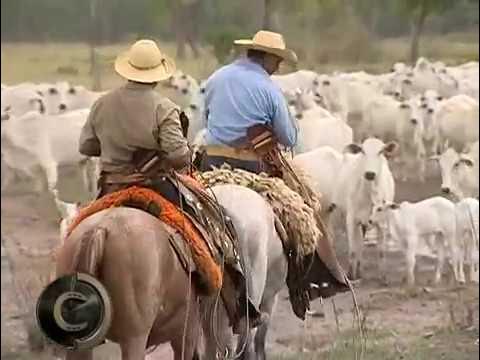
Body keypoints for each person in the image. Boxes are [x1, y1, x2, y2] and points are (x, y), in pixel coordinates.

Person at [78, 39, 261, 334]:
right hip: (155, 188)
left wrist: (115, 146)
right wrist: (185, 153)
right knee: (216, 228)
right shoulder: (163, 107)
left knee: (74, 231)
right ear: (157, 74)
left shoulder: (102, 103)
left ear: (128, 71)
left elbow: (86, 146)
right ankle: (234, 305)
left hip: (110, 189)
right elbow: (177, 158)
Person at [199, 30, 298, 173]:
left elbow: (206, 118)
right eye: (277, 61)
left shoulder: (216, 78)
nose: (277, 68)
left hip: (212, 160)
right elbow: (289, 138)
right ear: (268, 57)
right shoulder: (270, 89)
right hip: (250, 165)